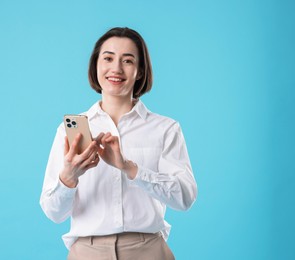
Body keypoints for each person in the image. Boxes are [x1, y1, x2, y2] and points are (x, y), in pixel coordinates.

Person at [40, 27, 197, 260]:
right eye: (108, 58)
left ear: (140, 71)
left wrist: (129, 167)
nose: (116, 68)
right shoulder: (68, 131)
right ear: (96, 65)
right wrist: (69, 177)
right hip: (87, 252)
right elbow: (53, 213)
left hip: (149, 251)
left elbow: (185, 198)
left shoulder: (165, 129)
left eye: (128, 60)